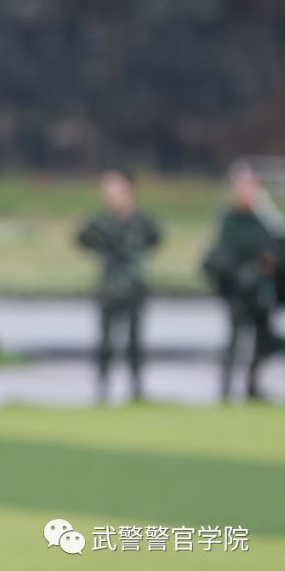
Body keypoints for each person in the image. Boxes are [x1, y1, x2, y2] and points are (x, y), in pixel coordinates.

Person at [76, 170, 162, 402]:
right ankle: (103, 388)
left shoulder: (142, 220)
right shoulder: (100, 222)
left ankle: (137, 389)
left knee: (135, 341)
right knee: (105, 342)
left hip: (134, 287)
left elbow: (155, 239)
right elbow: (82, 240)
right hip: (109, 288)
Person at [203, 167, 279, 401]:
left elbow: (274, 250)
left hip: (259, 293)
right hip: (237, 292)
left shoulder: (264, 220)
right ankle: (226, 388)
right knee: (234, 340)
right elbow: (220, 255)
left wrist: (263, 269)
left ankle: (252, 386)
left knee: (262, 340)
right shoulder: (229, 221)